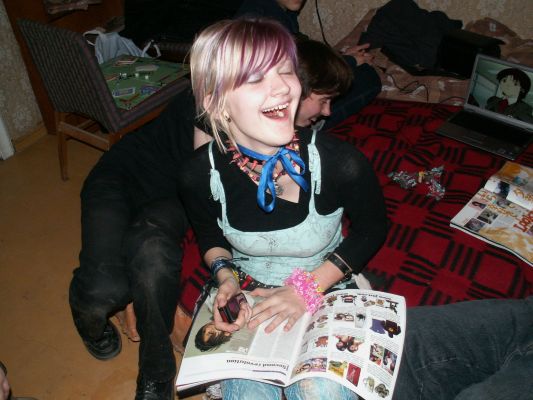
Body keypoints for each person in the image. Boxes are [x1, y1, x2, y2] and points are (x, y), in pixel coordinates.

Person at [177, 18, 388, 400]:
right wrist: (226, 278)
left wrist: (306, 288)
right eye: (255, 78)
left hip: (327, 284)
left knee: (321, 391)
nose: (283, 88)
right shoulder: (197, 174)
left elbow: (373, 227)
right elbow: (208, 234)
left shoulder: (339, 162)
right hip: (250, 294)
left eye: (286, 70)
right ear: (214, 102)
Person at [68, 90, 195, 400]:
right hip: (123, 175)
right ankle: (84, 310)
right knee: (106, 289)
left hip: (173, 199)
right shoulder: (211, 94)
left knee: (152, 258)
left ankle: (156, 371)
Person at [235, 0, 382, 130]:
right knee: (368, 78)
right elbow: (296, 71)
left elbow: (302, 56)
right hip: (272, 107)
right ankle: (305, 125)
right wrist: (348, 62)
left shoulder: (282, 13)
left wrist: (340, 58)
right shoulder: (255, 21)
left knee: (363, 73)